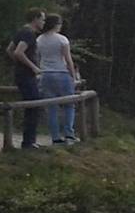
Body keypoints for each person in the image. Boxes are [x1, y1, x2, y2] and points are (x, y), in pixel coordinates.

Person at [36, 13, 81, 144]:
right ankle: (69, 133)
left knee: (52, 107)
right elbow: (68, 59)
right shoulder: (62, 39)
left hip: (46, 74)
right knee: (69, 104)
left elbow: (38, 57)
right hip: (61, 73)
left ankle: (55, 136)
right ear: (56, 25)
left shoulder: (39, 40)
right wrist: (73, 75)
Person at [7, 9, 45, 149]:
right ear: (35, 19)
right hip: (26, 75)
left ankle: (29, 140)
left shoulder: (21, 31)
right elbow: (18, 52)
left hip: (21, 73)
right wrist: (33, 67)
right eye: (42, 19)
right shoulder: (29, 34)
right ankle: (28, 141)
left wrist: (19, 63)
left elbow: (10, 50)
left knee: (32, 104)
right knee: (33, 105)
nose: (43, 22)